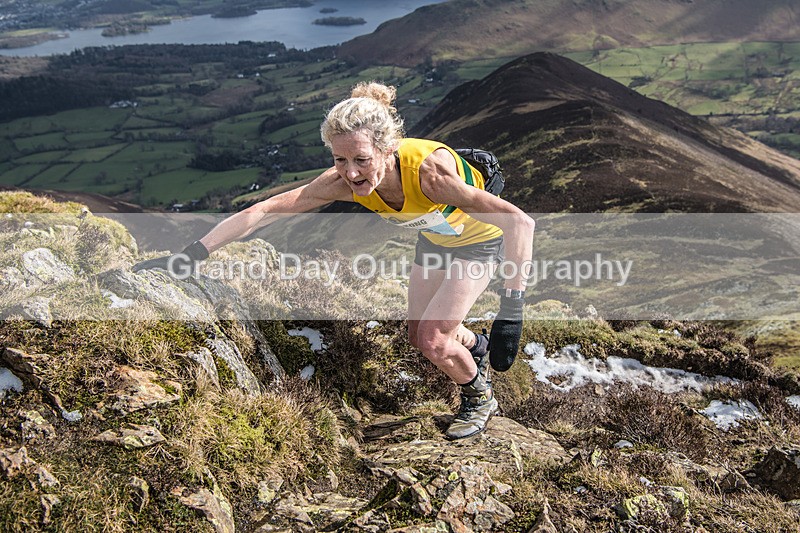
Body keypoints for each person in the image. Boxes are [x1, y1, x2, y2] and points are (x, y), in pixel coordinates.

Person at [133, 82, 535, 439]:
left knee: (432, 340)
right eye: (340, 160)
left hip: (481, 241)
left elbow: (520, 223)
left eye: (360, 159)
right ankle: (475, 345)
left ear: (387, 147)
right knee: (417, 337)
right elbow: (266, 210)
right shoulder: (341, 181)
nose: (351, 173)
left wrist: (511, 309)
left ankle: (479, 398)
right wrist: (191, 255)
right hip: (434, 240)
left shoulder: (430, 176)